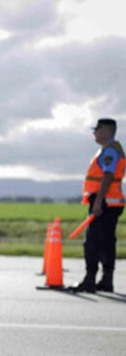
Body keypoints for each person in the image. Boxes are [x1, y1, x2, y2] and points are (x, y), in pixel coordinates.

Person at [72, 118, 124, 292]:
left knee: (93, 243)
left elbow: (108, 176)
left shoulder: (110, 151)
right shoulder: (112, 150)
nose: (94, 133)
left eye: (97, 129)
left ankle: (90, 280)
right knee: (107, 243)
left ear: (107, 131)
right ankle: (106, 281)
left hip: (104, 203)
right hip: (111, 202)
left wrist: (99, 201)